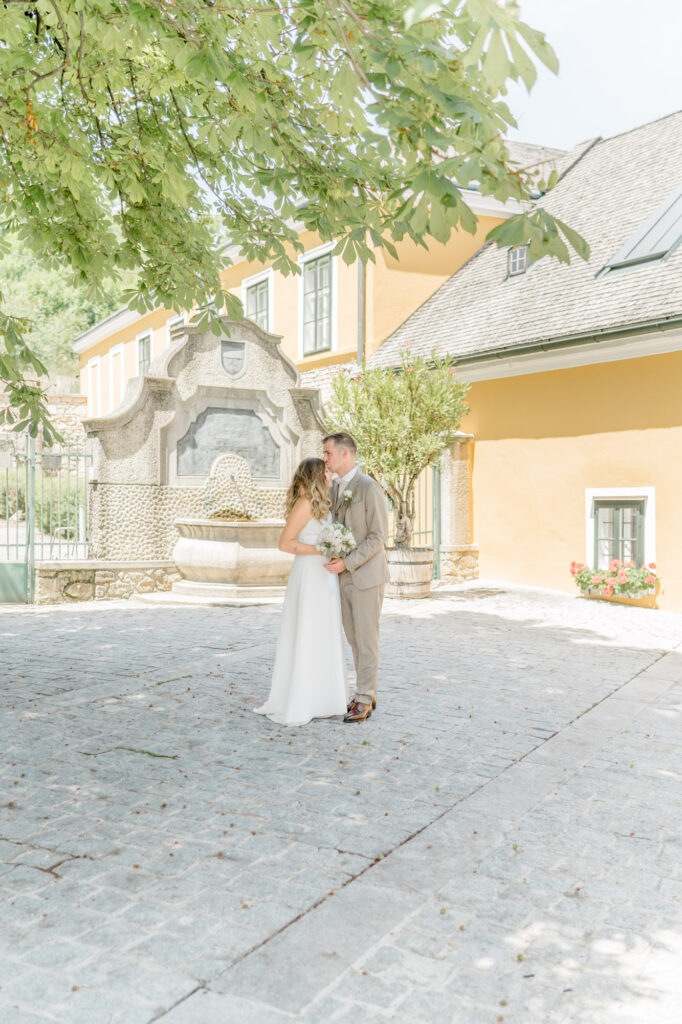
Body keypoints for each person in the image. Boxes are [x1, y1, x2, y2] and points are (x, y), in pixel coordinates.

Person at [253, 458, 349, 726]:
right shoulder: (306, 504)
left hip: (323, 575)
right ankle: (304, 699)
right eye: (327, 471)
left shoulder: (322, 504)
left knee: (323, 632)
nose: (331, 475)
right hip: (308, 575)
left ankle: (325, 698)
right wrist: (321, 549)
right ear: (316, 476)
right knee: (308, 632)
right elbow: (285, 543)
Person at [322, 432, 389, 723]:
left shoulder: (369, 487)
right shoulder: (334, 488)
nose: (324, 458)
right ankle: (367, 691)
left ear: (345, 454)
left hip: (366, 576)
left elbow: (377, 538)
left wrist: (347, 563)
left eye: (328, 453)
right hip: (343, 576)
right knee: (353, 638)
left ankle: (363, 699)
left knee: (366, 639)